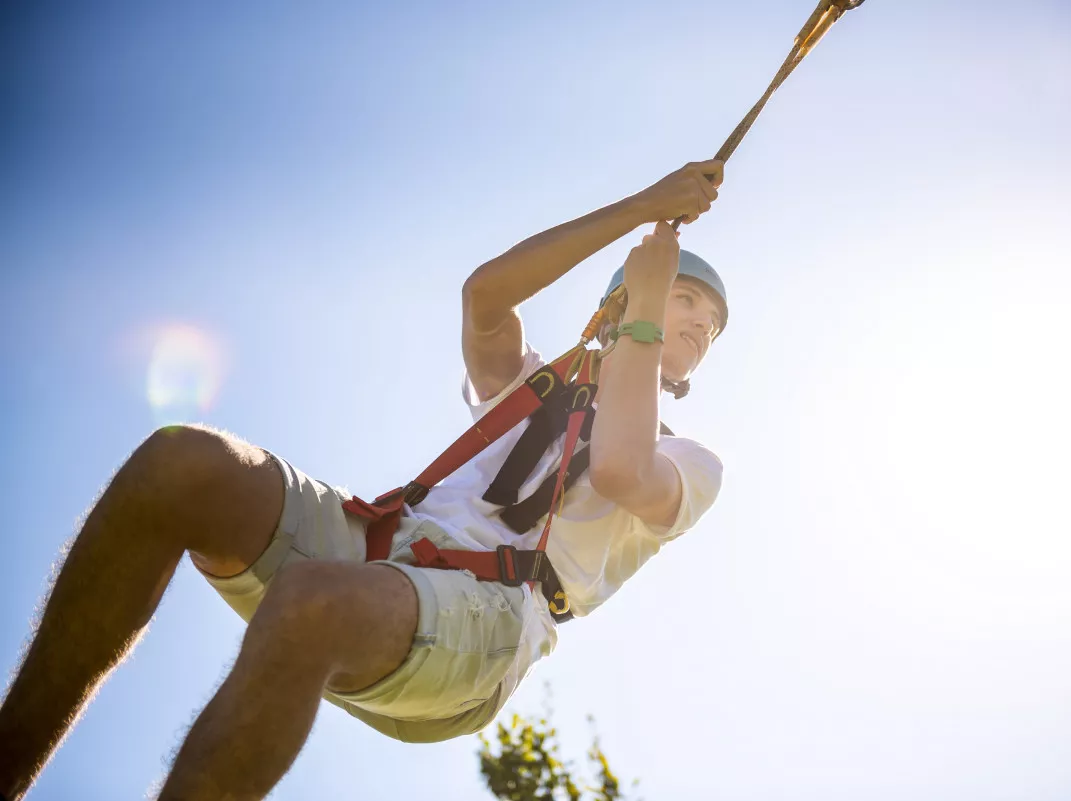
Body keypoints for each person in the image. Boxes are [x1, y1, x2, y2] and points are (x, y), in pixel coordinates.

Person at [0, 159, 728, 801]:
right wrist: (641, 207)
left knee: (313, 599)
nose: (702, 323)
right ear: (617, 304)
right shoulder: (530, 387)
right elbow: (485, 297)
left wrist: (646, 317)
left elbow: (620, 467)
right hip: (378, 547)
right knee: (179, 464)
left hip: (494, 616)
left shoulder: (689, 460)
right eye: (687, 300)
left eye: (712, 322)